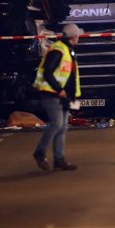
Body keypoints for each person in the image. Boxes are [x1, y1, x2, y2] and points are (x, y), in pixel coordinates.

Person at [32, 23, 82, 171]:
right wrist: (59, 89)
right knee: (57, 124)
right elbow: (48, 72)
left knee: (62, 127)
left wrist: (71, 95)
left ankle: (59, 159)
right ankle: (39, 152)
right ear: (74, 37)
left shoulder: (67, 50)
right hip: (52, 93)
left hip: (63, 95)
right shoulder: (59, 50)